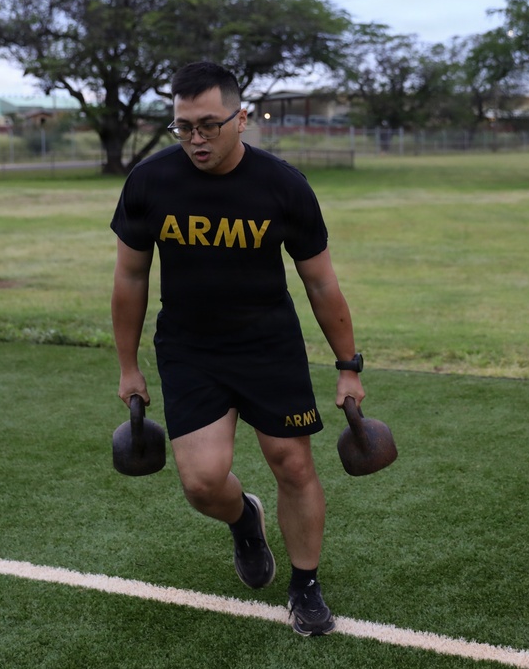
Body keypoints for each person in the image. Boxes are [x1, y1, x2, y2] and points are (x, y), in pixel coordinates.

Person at [111, 61, 365, 637]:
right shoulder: (151, 183)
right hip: (189, 347)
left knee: (292, 462)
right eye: (182, 127)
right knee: (202, 482)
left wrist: (348, 366)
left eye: (208, 125)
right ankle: (245, 520)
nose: (196, 139)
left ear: (241, 118)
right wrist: (128, 365)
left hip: (267, 345)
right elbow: (130, 279)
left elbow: (321, 283)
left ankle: (305, 586)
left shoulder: (283, 186)